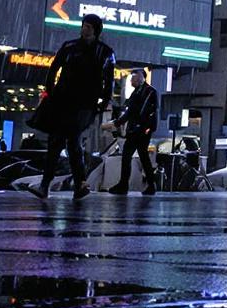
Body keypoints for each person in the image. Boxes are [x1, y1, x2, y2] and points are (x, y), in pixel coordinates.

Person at [37, 13, 116, 199]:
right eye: (84, 25)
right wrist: (51, 91)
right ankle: (75, 185)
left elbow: (109, 80)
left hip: (85, 104)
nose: (85, 29)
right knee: (67, 142)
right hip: (64, 100)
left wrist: (103, 102)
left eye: (89, 26)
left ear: (96, 30)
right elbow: (54, 69)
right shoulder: (70, 47)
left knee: (64, 140)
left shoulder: (105, 52)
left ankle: (50, 185)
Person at [114, 69, 161, 195]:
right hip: (137, 130)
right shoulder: (139, 92)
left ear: (141, 79)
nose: (130, 81)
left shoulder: (149, 92)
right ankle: (149, 185)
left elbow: (145, 112)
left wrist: (147, 128)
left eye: (133, 79)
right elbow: (131, 112)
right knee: (140, 156)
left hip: (140, 130)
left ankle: (125, 185)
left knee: (131, 156)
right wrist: (119, 122)